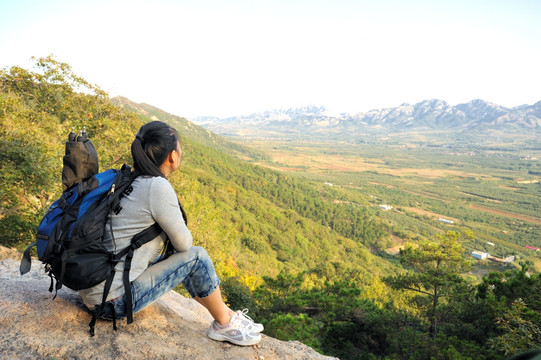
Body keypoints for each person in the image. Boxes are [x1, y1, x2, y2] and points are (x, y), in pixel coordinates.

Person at [79, 121, 263, 346]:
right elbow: (184, 244)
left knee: (186, 260)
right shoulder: (156, 186)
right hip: (113, 301)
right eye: (180, 149)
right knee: (196, 257)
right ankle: (224, 324)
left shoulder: (131, 180)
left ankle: (225, 313)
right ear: (172, 156)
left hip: (96, 291)